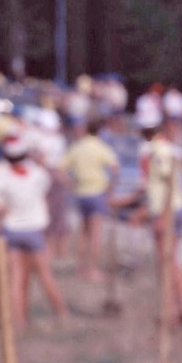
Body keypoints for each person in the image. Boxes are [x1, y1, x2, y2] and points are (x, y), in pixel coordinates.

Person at [0, 131, 68, 332]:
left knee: (15, 277)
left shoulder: (1, 174)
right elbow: (45, 193)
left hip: (11, 228)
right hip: (33, 228)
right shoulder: (37, 174)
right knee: (44, 274)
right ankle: (61, 313)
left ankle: (18, 321)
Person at [137, 107, 182, 326]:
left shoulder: (157, 151)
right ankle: (180, 310)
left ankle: (174, 311)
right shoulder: (165, 149)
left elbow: (168, 185)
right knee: (169, 261)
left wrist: (161, 216)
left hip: (167, 210)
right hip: (173, 208)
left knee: (166, 263)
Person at [59, 117, 119, 281]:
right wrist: (110, 187)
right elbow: (115, 168)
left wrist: (70, 183)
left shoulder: (77, 147)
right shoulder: (101, 147)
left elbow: (61, 169)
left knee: (83, 233)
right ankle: (92, 269)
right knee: (95, 234)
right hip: (97, 192)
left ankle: (80, 268)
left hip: (81, 193)